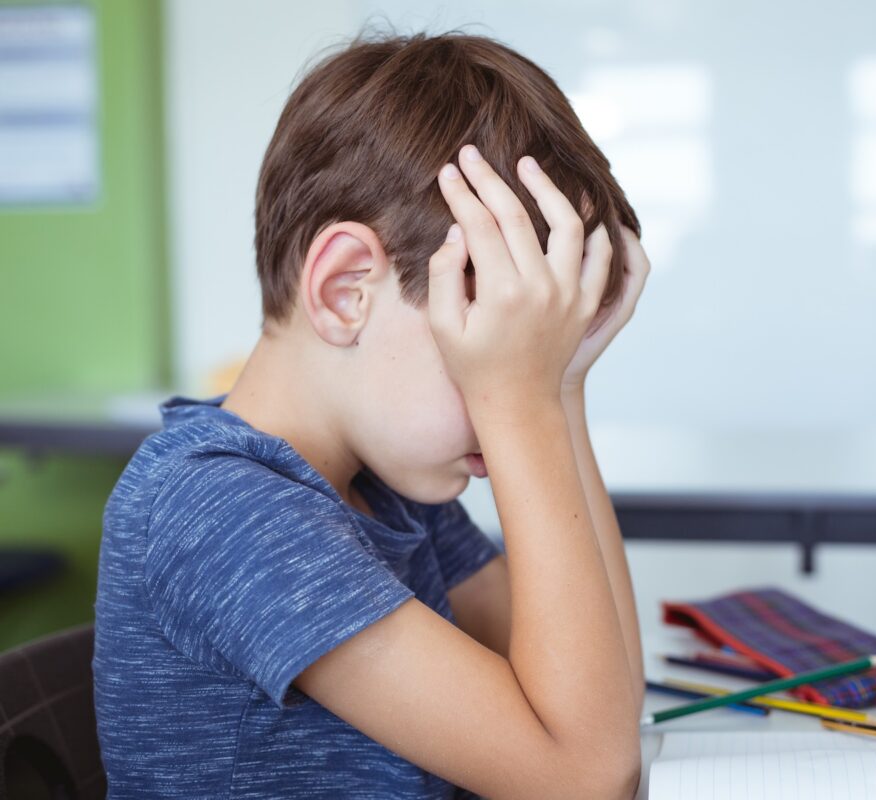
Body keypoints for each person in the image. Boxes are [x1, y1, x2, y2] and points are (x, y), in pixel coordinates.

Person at [93, 31, 650, 799]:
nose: (505, 392)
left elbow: (609, 697)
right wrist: (525, 404)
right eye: (491, 349)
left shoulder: (379, 486)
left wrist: (559, 390)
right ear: (346, 290)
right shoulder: (220, 506)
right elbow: (587, 777)